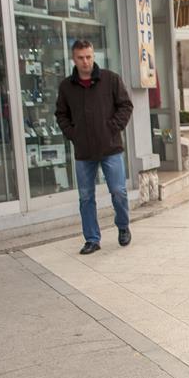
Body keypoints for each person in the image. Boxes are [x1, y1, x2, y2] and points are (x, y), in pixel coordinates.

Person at [55, 40, 133, 256]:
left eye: (88, 56)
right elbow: (61, 114)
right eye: (81, 57)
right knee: (86, 197)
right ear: (74, 59)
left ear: (93, 56)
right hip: (84, 152)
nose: (85, 61)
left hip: (111, 147)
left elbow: (126, 105)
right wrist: (74, 134)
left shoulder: (110, 79)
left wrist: (112, 128)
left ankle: (123, 226)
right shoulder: (66, 87)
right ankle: (92, 239)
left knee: (118, 191)